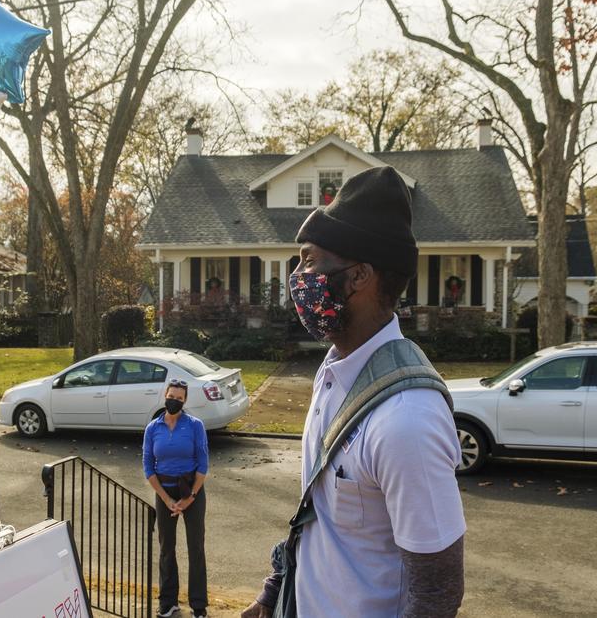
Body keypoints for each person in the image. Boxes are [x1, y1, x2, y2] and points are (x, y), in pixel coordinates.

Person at [242, 167, 466, 618]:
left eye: (309, 260)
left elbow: (437, 594)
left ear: (359, 275)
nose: (298, 276)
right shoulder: (334, 372)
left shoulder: (406, 420)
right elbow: (319, 514)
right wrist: (274, 592)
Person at [143, 379, 210, 618]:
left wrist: (190, 497)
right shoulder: (153, 428)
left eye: (179, 399)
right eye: (172, 396)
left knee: (196, 548)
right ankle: (168, 602)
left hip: (191, 490)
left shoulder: (195, 426)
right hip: (165, 493)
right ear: (165, 395)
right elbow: (148, 467)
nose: (175, 401)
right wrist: (167, 499)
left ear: (184, 401)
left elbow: (203, 464)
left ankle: (199, 606)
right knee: (166, 549)